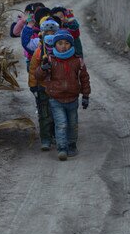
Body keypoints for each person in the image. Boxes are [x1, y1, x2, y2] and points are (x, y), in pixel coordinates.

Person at [35, 29, 91, 161]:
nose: (63, 46)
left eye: (67, 43)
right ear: (55, 45)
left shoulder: (78, 61)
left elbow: (84, 78)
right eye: (60, 43)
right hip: (56, 99)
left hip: (72, 99)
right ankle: (62, 148)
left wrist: (86, 96)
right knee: (61, 124)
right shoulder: (49, 60)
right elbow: (38, 76)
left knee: (72, 124)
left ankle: (72, 145)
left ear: (71, 45)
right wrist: (43, 68)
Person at [28, 17, 59, 150]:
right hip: (43, 88)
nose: (50, 37)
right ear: (42, 34)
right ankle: (45, 139)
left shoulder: (62, 50)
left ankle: (57, 136)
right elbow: (33, 70)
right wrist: (33, 86)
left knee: (58, 115)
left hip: (59, 89)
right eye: (47, 34)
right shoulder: (39, 53)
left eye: (53, 34)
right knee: (45, 115)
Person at [21, 6, 51, 71]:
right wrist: (28, 26)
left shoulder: (61, 38)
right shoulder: (39, 39)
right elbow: (26, 43)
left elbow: (26, 43)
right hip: (37, 65)